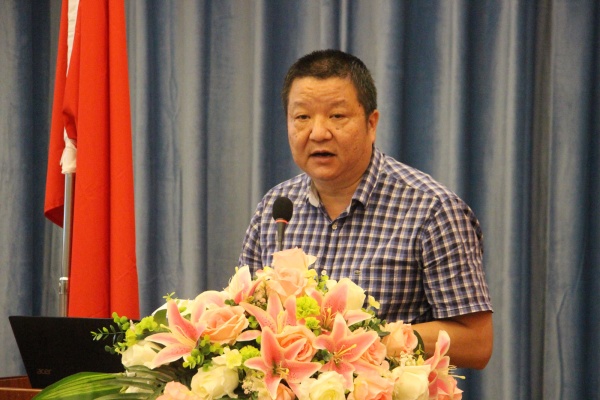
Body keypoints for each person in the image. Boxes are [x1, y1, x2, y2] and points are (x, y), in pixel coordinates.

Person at [238, 49, 493, 369]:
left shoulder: (432, 210)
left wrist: (369, 342)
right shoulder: (275, 209)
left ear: (371, 123)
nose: (318, 132)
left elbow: (477, 342)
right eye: (302, 117)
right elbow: (244, 317)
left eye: (337, 116)